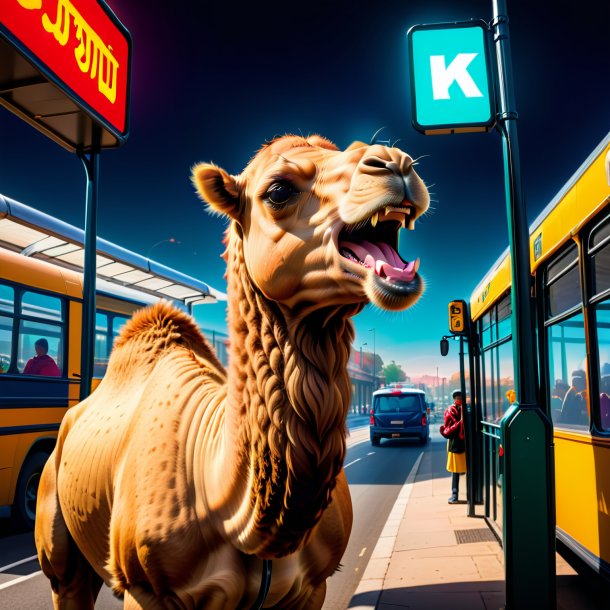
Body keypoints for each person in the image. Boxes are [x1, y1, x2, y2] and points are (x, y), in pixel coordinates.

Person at [440, 389, 466, 504]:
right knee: (455, 471)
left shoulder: (467, 409)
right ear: (454, 399)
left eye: (460, 397)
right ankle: (454, 494)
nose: (459, 399)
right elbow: (447, 430)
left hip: (466, 443)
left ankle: (470, 493)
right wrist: (460, 423)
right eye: (457, 397)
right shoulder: (450, 410)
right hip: (455, 443)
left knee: (467, 469)